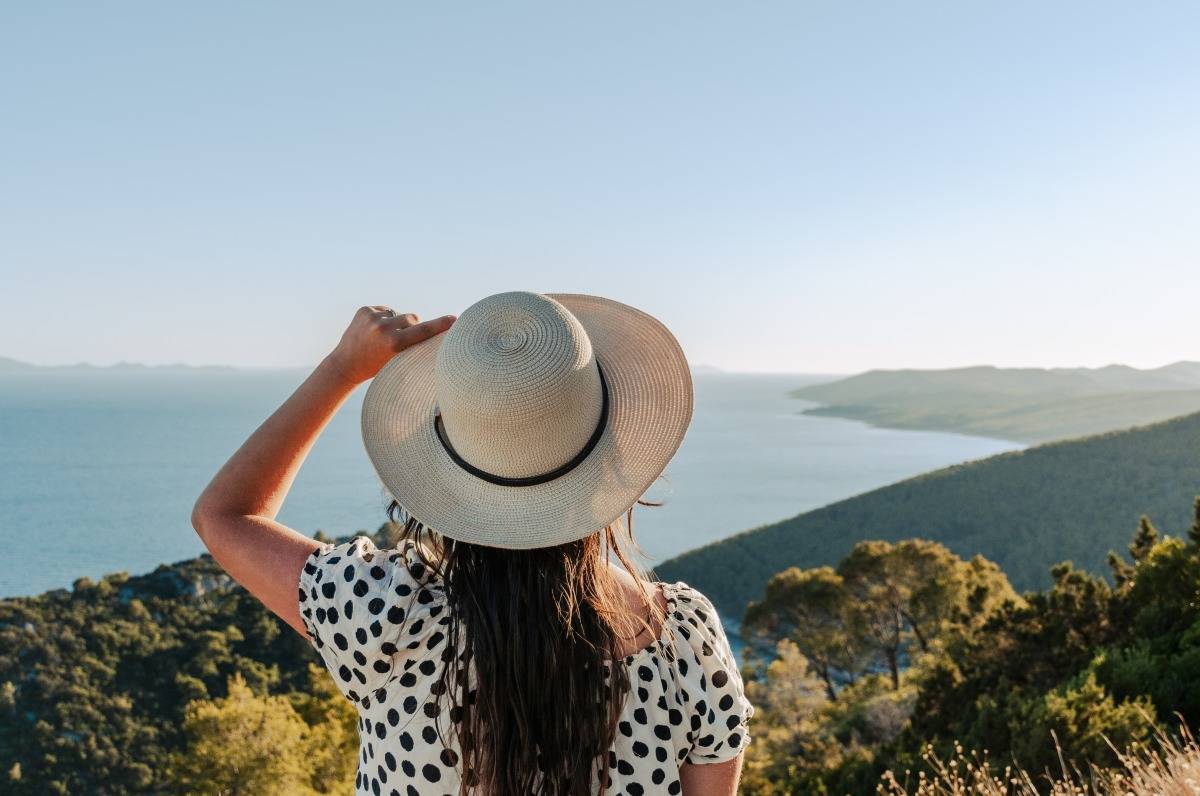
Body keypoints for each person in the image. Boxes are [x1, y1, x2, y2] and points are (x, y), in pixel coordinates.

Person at [192, 291, 754, 795]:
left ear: (447, 470)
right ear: (611, 461)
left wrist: (341, 369)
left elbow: (225, 515)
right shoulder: (685, 643)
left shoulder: (383, 615)